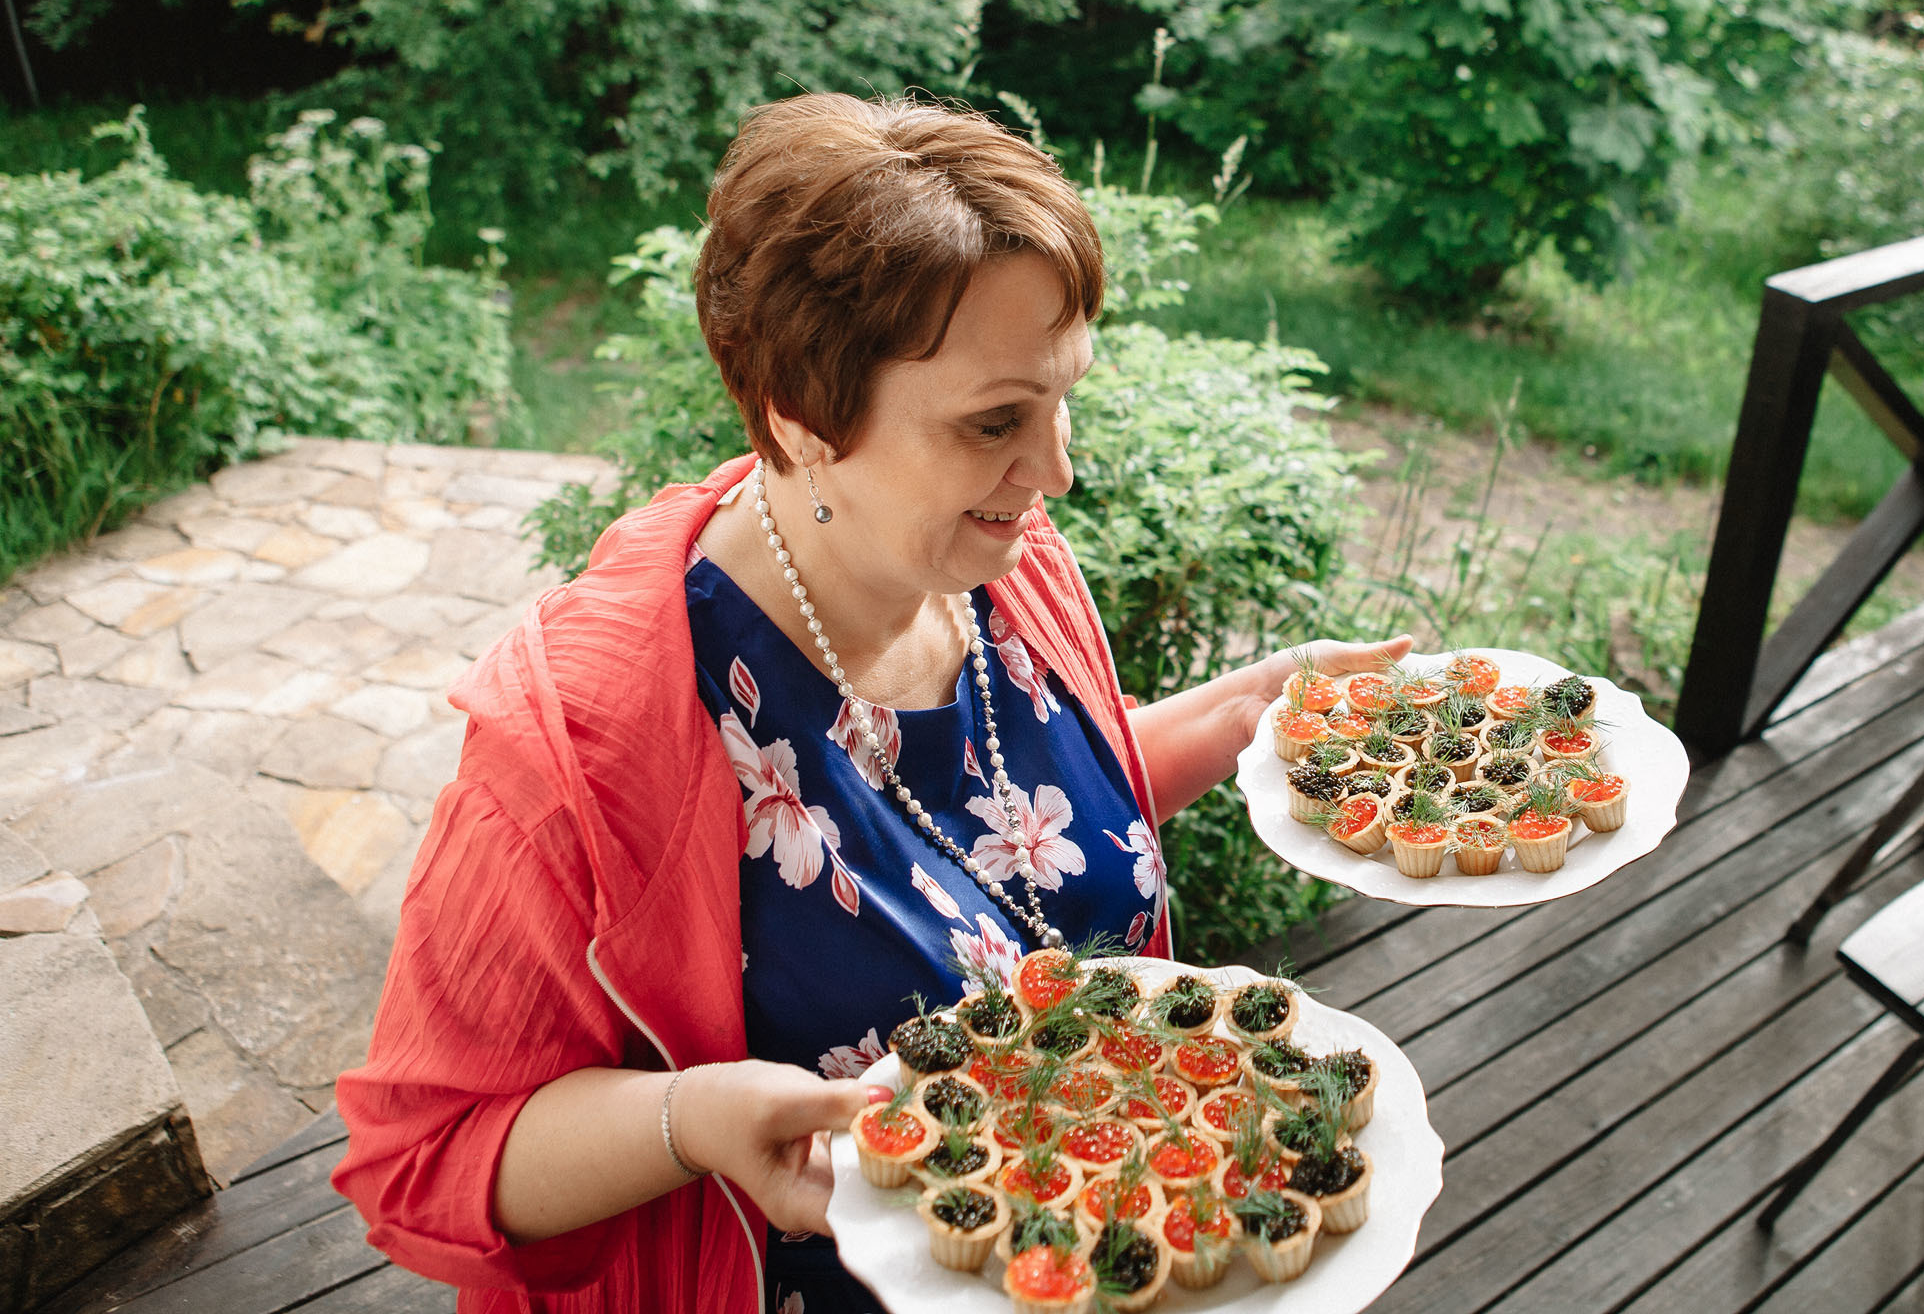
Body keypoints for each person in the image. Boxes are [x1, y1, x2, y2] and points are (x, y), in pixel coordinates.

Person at [332, 92, 1408, 1313]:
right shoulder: (586, 737)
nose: (1057, 470)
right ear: (800, 418)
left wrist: (1240, 714)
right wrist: (689, 1119)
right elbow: (422, 1157)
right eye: (996, 421)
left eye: (1063, 398)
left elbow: (993, 841)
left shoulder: (999, 559)